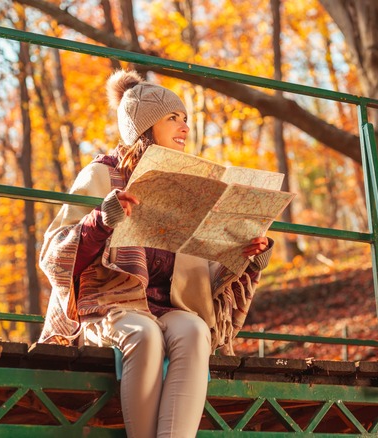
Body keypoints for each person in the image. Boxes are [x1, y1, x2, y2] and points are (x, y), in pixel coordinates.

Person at [37, 70, 273, 438]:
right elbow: (53, 256)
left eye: (186, 119)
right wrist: (102, 220)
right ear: (144, 127)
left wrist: (248, 254)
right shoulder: (101, 174)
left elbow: (205, 277)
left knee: (196, 331)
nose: (184, 127)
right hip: (109, 307)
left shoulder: (189, 184)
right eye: (173, 118)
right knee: (144, 336)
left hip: (170, 307)